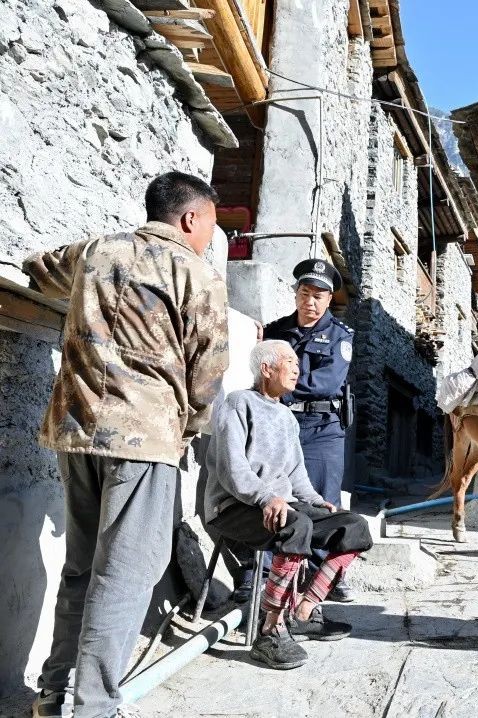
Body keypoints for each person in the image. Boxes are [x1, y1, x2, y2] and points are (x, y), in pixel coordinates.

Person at [24, 172, 230, 718]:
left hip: (78, 430)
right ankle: (92, 706)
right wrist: (189, 428)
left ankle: (54, 694)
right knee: (127, 575)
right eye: (210, 223)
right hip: (144, 436)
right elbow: (208, 372)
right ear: (190, 219)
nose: (211, 235)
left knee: (82, 566)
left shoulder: (97, 250)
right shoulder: (197, 272)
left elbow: (40, 268)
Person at [204, 341, 373, 669]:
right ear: (266, 369)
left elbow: (296, 474)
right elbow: (231, 468)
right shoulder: (238, 404)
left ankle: (305, 609)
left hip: (283, 504)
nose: (297, 369)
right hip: (234, 505)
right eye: (289, 362)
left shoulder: (286, 416)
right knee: (297, 525)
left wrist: (315, 501)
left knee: (354, 527)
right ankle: (269, 631)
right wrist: (266, 498)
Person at [262, 259, 358, 602]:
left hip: (321, 428)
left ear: (330, 299)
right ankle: (270, 573)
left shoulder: (340, 337)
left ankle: (322, 578)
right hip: (280, 425)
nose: (310, 301)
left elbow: (324, 383)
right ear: (296, 294)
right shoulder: (274, 332)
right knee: (275, 495)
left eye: (319, 295)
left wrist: (278, 381)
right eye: (305, 293)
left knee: (322, 501)